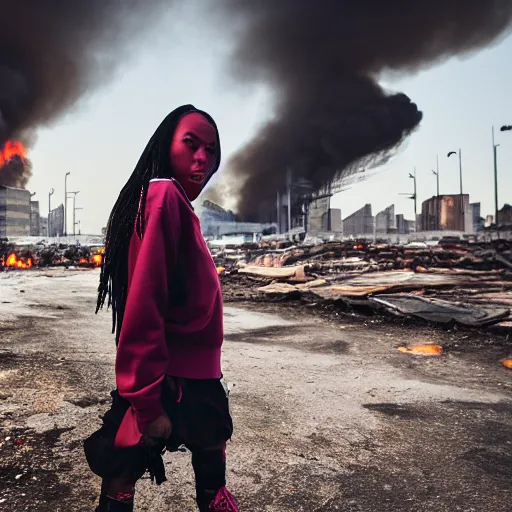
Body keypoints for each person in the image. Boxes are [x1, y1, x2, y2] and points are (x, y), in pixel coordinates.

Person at [85, 105, 239, 512]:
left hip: (197, 379)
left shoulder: (178, 207)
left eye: (211, 149)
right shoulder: (163, 195)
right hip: (166, 377)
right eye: (191, 144)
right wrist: (147, 401)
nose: (202, 158)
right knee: (121, 472)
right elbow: (144, 304)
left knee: (199, 472)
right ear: (165, 144)